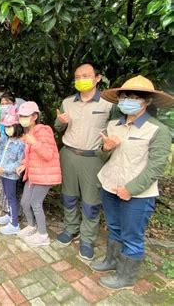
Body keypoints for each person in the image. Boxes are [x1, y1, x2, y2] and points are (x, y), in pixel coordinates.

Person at [90, 75, 173, 290]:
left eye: (135, 97)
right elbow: (102, 157)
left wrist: (131, 189)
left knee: (132, 235)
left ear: (147, 101)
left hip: (137, 194)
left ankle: (126, 277)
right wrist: (106, 149)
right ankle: (111, 262)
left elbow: (156, 167)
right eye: (125, 96)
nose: (128, 100)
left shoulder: (158, 130)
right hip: (109, 185)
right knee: (114, 227)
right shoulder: (112, 125)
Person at [54, 62, 118, 260]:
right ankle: (71, 228)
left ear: (97, 78)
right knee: (68, 196)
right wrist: (60, 122)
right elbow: (58, 127)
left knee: (91, 202)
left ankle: (87, 239)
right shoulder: (67, 102)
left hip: (93, 158)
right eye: (77, 76)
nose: (80, 80)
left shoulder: (109, 104)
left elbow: (115, 132)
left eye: (85, 75)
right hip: (69, 154)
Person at [15, 102, 61, 247]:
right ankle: (31, 226)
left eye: (25, 116)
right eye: (20, 116)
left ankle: (43, 236)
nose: (22, 119)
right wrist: (24, 164)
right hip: (33, 173)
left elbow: (48, 154)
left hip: (45, 174)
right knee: (25, 202)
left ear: (35, 116)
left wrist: (34, 142)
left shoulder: (43, 130)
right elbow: (32, 156)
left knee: (35, 203)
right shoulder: (30, 133)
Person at [0, 107, 25, 235]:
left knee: (11, 198)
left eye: (10, 127)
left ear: (17, 127)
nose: (7, 129)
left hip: (11, 176)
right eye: (6, 127)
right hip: (2, 174)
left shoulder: (20, 143)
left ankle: (14, 223)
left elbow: (19, 162)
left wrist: (4, 169)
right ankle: (10, 215)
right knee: (7, 196)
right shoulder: (8, 140)